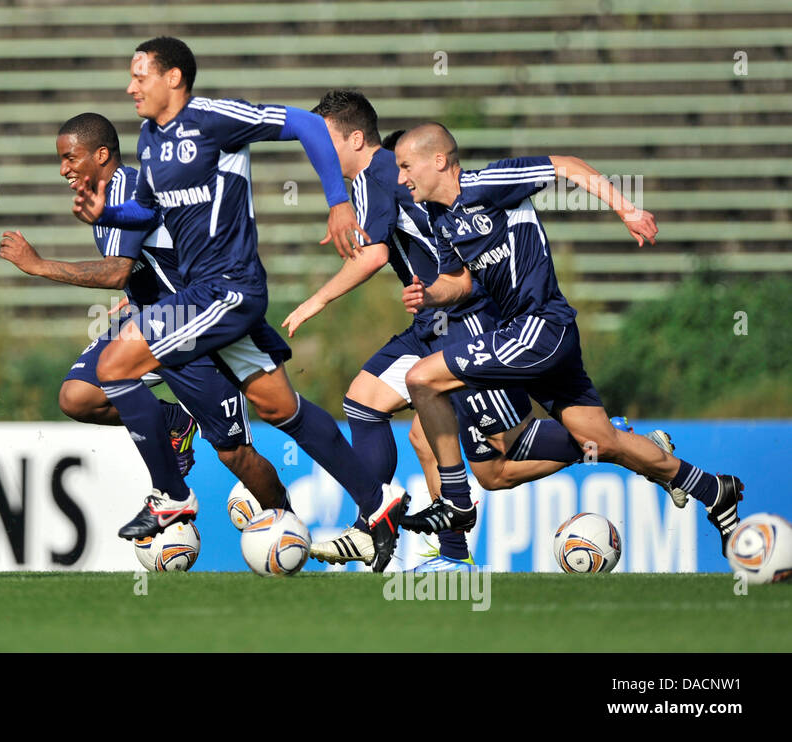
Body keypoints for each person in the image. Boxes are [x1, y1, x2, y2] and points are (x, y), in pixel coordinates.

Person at [72, 37, 407, 571]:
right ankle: (379, 500)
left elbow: (309, 125)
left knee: (114, 365)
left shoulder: (213, 119)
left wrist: (339, 204)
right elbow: (147, 211)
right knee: (281, 409)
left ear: (174, 78)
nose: (131, 86)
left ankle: (172, 495)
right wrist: (105, 215)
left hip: (227, 288)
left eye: (141, 75)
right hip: (205, 295)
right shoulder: (149, 139)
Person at [282, 93, 596, 571]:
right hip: (429, 323)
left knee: (498, 458)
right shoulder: (383, 176)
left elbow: (376, 254)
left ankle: (614, 442)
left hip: (467, 321)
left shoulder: (376, 175)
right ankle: (380, 523)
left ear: (356, 139)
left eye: (323, 141)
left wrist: (316, 300)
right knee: (366, 403)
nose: (317, 154)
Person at [395, 122, 742, 554]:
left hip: (540, 326)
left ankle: (456, 503)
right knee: (602, 442)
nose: (401, 178)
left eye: (406, 166)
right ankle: (713, 490)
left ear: (439, 161)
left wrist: (626, 210)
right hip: (531, 334)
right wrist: (430, 294)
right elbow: (459, 282)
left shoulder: (487, 184)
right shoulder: (439, 218)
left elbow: (566, 165)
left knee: (422, 379)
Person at [0, 112, 290, 513]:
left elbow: (117, 270)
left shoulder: (131, 189)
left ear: (101, 155)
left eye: (70, 157)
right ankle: (175, 423)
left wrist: (39, 265)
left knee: (234, 454)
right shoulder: (103, 195)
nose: (63, 168)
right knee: (78, 396)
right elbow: (141, 264)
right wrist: (139, 291)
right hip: (151, 319)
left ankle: (285, 522)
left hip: (191, 325)